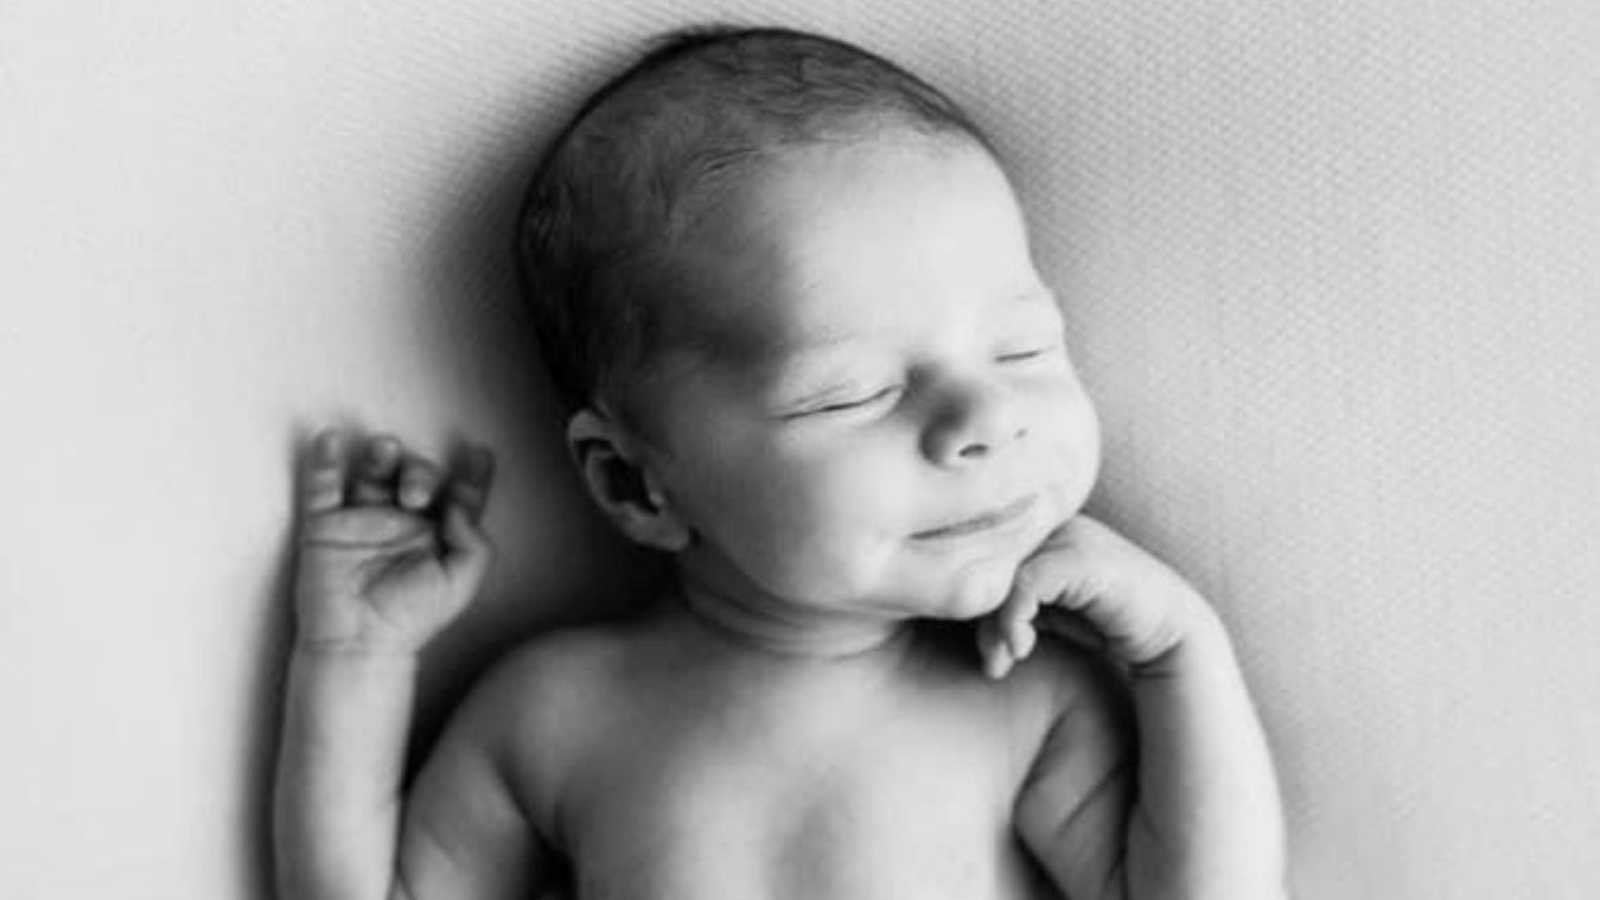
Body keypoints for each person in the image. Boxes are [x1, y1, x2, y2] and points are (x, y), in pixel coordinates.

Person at [273, 25, 1286, 900]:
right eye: (853, 393)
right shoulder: (559, 712)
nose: (985, 418)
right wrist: (354, 660)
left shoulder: (1023, 698)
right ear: (633, 483)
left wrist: (1178, 655)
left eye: (1022, 351)